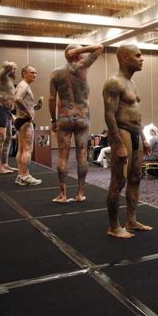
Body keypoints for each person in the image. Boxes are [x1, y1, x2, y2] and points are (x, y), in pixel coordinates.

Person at [102, 44, 153, 238]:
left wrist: (143, 138)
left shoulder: (131, 83)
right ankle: (113, 226)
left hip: (135, 133)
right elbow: (109, 115)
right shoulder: (114, 82)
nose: (142, 59)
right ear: (124, 58)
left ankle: (131, 220)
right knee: (119, 180)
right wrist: (117, 143)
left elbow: (136, 116)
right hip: (121, 133)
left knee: (135, 178)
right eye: (137, 55)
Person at [49, 43, 103, 203]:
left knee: (62, 156)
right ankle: (80, 193)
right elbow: (99, 47)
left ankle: (63, 194)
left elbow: (52, 99)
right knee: (82, 155)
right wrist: (78, 51)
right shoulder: (83, 67)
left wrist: (53, 119)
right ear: (75, 54)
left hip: (64, 117)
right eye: (79, 52)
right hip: (82, 117)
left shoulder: (56, 73)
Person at [14, 65, 43, 186]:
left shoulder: (24, 85)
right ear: (24, 73)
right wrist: (28, 113)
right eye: (32, 72)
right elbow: (17, 99)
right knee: (27, 149)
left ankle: (21, 176)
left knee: (21, 149)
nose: (34, 75)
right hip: (25, 120)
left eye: (35, 73)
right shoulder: (23, 85)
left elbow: (24, 102)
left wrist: (35, 107)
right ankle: (25, 176)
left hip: (22, 120)